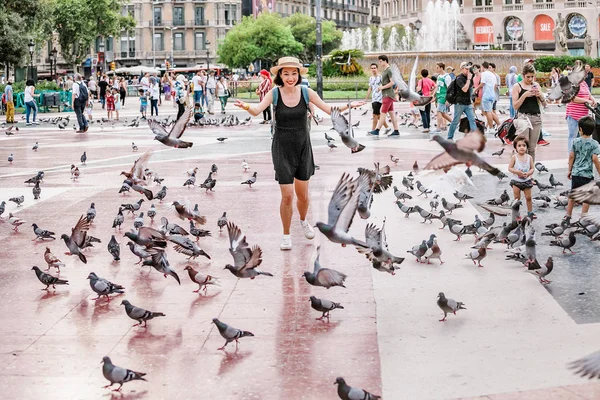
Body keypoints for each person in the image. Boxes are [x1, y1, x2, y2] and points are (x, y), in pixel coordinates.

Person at [233, 56, 365, 250]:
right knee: (287, 195)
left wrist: (349, 106)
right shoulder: (275, 94)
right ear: (280, 75)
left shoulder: (306, 92)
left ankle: (303, 220)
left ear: (298, 75)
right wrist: (246, 106)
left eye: (294, 73)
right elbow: (257, 110)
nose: (290, 77)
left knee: (302, 196)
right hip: (282, 148)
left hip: (303, 147)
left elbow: (329, 109)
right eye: (286, 73)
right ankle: (286, 235)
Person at [565, 116, 600, 221]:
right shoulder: (595, 144)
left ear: (580, 129)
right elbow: (595, 159)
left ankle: (568, 215)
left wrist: (569, 170)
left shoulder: (575, 141)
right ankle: (583, 217)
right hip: (587, 174)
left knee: (573, 195)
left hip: (576, 173)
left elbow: (571, 156)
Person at [511, 63, 546, 160]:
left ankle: (530, 170)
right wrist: (524, 95)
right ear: (523, 75)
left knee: (532, 148)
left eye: (532, 76)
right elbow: (515, 106)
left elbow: (544, 104)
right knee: (523, 147)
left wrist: (540, 96)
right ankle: (521, 168)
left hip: (536, 118)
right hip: (523, 118)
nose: (530, 79)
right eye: (528, 77)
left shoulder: (536, 85)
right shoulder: (517, 86)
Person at [565, 66, 596, 153]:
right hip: (573, 115)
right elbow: (573, 98)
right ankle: (571, 156)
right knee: (573, 136)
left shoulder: (584, 83)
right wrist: (587, 101)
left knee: (582, 137)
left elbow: (589, 94)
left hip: (583, 116)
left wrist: (592, 100)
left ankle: (579, 156)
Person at [368, 55, 400, 137]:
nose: (379, 62)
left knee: (383, 113)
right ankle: (396, 130)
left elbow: (392, 82)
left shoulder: (389, 70)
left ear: (385, 61)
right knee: (392, 113)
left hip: (387, 94)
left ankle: (377, 130)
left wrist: (382, 87)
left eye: (380, 61)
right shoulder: (385, 70)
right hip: (386, 94)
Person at [447, 62, 477, 140]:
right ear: (462, 69)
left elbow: (470, 90)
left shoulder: (470, 78)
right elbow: (465, 89)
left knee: (472, 120)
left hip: (468, 103)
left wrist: (472, 101)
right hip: (459, 103)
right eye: (466, 69)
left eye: (469, 69)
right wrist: (469, 79)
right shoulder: (459, 78)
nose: (468, 71)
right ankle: (450, 137)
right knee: (455, 121)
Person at [508, 136, 535, 219]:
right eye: (519, 146)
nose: (522, 147)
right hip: (516, 181)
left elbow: (532, 168)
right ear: (516, 147)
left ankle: (530, 212)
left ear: (527, 147)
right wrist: (517, 172)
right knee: (517, 199)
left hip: (526, 181)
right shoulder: (514, 157)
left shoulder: (529, 157)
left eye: (524, 145)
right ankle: (517, 214)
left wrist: (528, 173)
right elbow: (510, 168)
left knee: (528, 198)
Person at [364, 63, 390, 134]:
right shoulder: (371, 78)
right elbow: (370, 88)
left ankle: (373, 130)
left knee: (375, 114)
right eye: (372, 68)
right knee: (378, 115)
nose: (373, 69)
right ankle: (387, 127)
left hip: (380, 98)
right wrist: (366, 99)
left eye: (374, 68)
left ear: (377, 68)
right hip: (373, 98)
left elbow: (386, 86)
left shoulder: (381, 77)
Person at [432, 62, 452, 133]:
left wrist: (448, 99)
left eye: (437, 67)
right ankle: (454, 123)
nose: (436, 69)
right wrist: (433, 95)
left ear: (441, 68)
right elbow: (437, 87)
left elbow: (449, 88)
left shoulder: (447, 77)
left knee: (439, 112)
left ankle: (438, 128)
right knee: (443, 113)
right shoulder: (439, 76)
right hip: (439, 96)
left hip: (443, 96)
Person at [479, 62, 497, 134]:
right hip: (492, 95)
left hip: (486, 95)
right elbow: (495, 85)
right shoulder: (492, 75)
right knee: (489, 111)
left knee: (488, 112)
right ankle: (495, 125)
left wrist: (475, 90)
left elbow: (482, 83)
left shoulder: (484, 74)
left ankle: (491, 128)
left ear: (483, 67)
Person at [415, 69, 435, 133]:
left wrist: (416, 89)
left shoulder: (421, 81)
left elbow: (419, 89)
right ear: (427, 74)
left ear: (421, 74)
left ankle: (425, 127)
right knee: (428, 112)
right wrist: (432, 92)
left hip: (422, 98)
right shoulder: (430, 80)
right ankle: (428, 126)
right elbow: (435, 86)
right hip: (428, 98)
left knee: (423, 112)